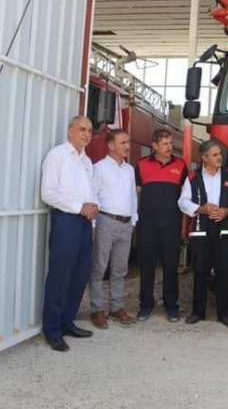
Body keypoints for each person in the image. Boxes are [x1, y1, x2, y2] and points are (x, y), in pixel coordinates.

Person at [40, 115, 98, 352]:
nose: (86, 134)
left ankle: (67, 322)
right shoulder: (57, 156)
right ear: (70, 132)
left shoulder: (87, 161)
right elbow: (48, 193)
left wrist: (92, 213)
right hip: (66, 220)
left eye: (90, 131)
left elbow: (91, 192)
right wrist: (79, 207)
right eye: (82, 129)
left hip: (85, 223)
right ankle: (52, 330)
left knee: (79, 275)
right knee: (60, 275)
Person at [178, 140, 228, 327]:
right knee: (200, 271)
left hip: (224, 229)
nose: (219, 157)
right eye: (215, 155)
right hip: (200, 230)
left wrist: (227, 211)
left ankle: (225, 314)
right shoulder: (192, 177)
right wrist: (201, 209)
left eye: (220, 154)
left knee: (223, 272)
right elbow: (182, 202)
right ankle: (198, 312)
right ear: (204, 158)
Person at [135, 129, 188, 322]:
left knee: (170, 268)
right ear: (155, 146)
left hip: (171, 225)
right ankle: (145, 306)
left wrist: (183, 226)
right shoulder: (141, 165)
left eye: (171, 143)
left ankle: (171, 306)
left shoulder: (181, 165)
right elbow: (136, 196)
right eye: (165, 144)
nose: (169, 147)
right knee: (146, 267)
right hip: (147, 226)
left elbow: (185, 198)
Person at [89, 130, 138, 329]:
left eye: (128, 142)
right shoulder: (99, 168)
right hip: (105, 221)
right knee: (99, 268)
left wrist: (133, 220)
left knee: (120, 269)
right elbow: (92, 196)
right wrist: (93, 225)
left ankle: (116, 307)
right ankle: (97, 309)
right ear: (110, 145)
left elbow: (133, 196)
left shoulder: (129, 170)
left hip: (125, 224)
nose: (127, 146)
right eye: (123, 143)